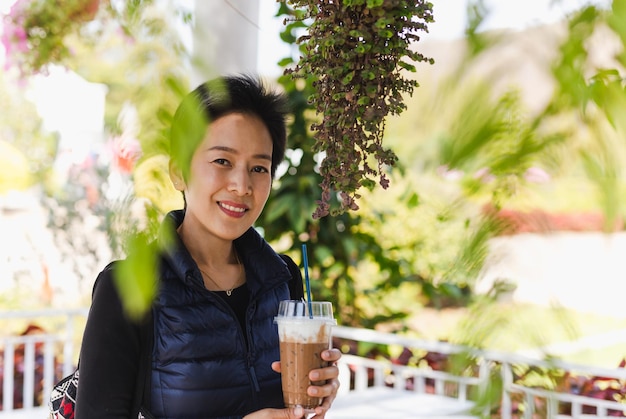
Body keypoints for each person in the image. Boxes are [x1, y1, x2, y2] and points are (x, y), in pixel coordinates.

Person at [75, 74, 341, 419]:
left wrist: (319, 391)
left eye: (259, 167)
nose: (242, 185)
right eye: (222, 161)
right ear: (178, 172)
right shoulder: (127, 288)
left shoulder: (284, 280)